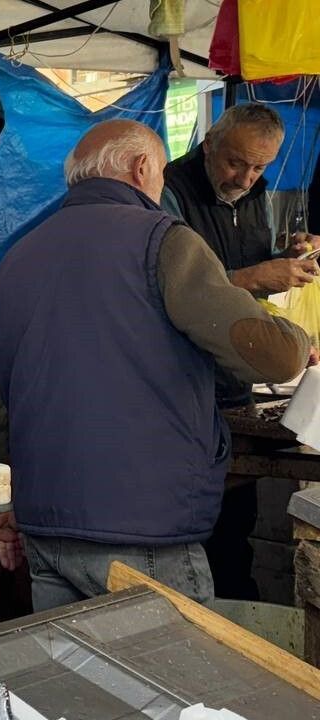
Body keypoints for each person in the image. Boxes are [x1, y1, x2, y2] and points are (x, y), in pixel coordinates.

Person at [0, 119, 312, 611]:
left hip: (44, 526)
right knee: (169, 681)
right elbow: (275, 357)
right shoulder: (164, 240)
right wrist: (299, 338)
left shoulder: (19, 257)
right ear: (143, 166)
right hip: (142, 527)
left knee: (73, 681)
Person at [163, 102, 320, 601]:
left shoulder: (254, 193)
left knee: (237, 524)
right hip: (182, 385)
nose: (247, 177)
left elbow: (244, 262)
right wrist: (252, 278)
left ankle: (238, 612)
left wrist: (287, 255)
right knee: (190, 527)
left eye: (260, 167)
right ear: (209, 143)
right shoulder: (167, 193)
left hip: (235, 381)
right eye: (236, 162)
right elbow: (163, 294)